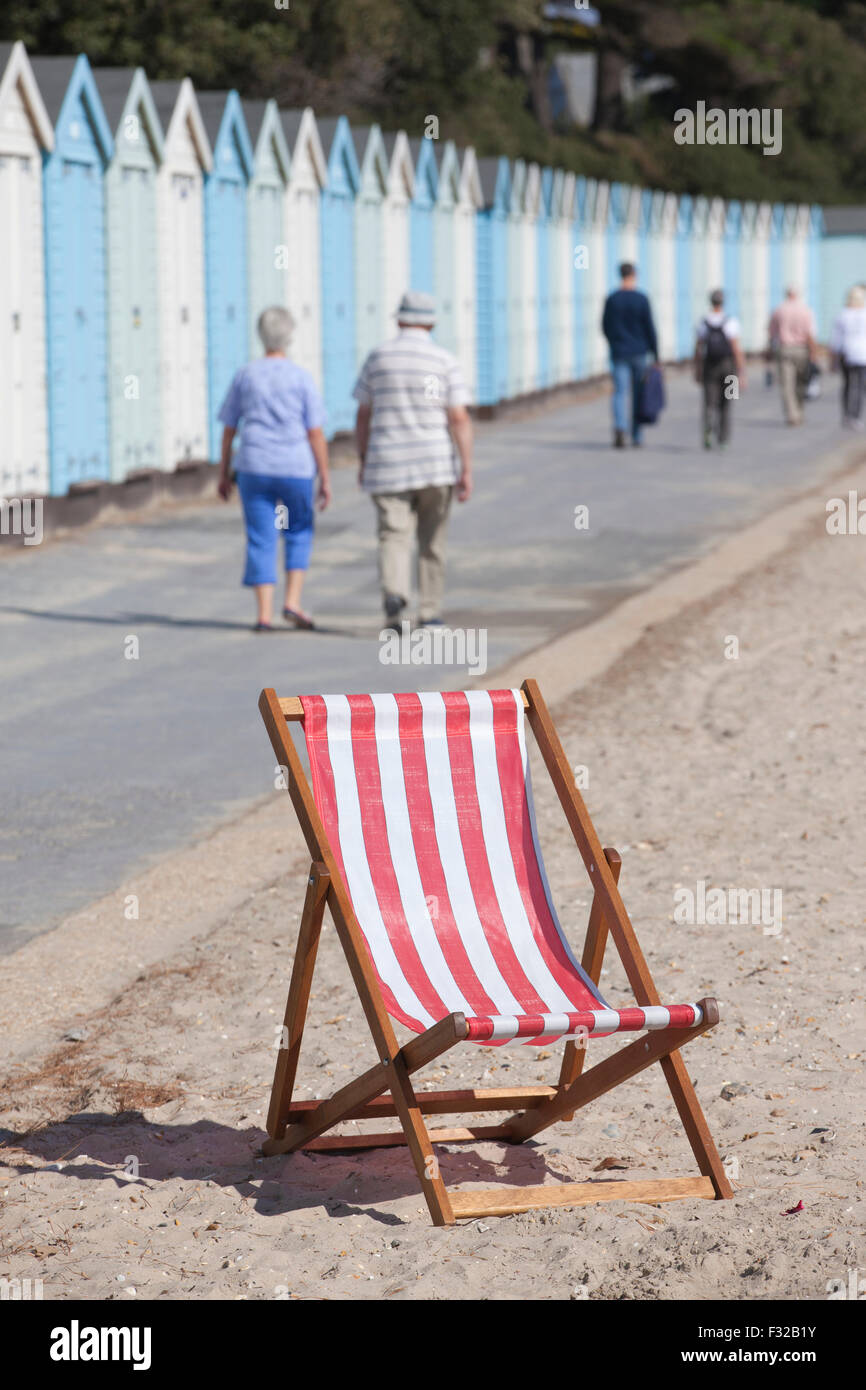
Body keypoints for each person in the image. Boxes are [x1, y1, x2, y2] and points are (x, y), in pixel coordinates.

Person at [353, 290, 473, 632]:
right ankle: (430, 612)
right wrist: (466, 468)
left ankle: (395, 602)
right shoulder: (443, 361)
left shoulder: (378, 359)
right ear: (431, 322)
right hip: (435, 463)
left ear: (399, 319)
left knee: (393, 535)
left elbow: (363, 414)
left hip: (388, 461)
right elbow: (459, 418)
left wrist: (363, 458)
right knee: (432, 539)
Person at [217, 306, 331, 632]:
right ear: (290, 336)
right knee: (297, 531)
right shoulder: (300, 377)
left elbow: (229, 426)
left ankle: (263, 615)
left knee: (260, 537)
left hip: (253, 465)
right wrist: (325, 477)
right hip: (295, 466)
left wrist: (224, 472)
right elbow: (315, 432)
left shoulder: (246, 375)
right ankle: (292, 603)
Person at [601, 262, 659, 448]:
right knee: (638, 393)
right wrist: (655, 353)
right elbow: (650, 327)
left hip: (619, 351)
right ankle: (636, 435)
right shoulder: (641, 299)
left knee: (619, 392)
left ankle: (620, 426)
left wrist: (613, 342)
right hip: (639, 352)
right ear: (634, 275)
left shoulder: (612, 299)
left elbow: (605, 325)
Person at [694, 289, 746, 450]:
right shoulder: (731, 321)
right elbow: (736, 349)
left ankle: (708, 432)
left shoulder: (703, 322)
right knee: (728, 403)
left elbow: (698, 348)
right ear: (723, 302)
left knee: (709, 403)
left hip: (709, 366)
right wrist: (741, 372)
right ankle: (724, 439)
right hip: (729, 366)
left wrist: (697, 369)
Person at [767, 287, 818, 426]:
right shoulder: (805, 310)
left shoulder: (779, 310)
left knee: (787, 384)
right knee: (800, 383)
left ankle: (792, 414)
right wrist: (814, 353)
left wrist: (769, 353)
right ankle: (799, 411)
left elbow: (771, 333)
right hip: (802, 350)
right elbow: (810, 334)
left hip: (785, 349)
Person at [828, 285, 866, 430]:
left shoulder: (843, 314)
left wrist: (833, 359)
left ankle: (847, 415)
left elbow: (835, 339)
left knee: (848, 385)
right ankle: (854, 416)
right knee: (858, 386)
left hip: (847, 353)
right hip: (862, 355)